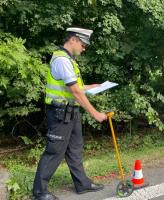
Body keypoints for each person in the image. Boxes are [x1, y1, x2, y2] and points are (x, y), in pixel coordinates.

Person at [32, 27, 107, 200]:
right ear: (73, 39)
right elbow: (74, 91)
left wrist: (90, 87)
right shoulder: (62, 60)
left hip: (71, 112)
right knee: (54, 151)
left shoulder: (69, 60)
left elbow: (73, 87)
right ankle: (39, 192)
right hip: (59, 113)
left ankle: (82, 184)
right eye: (82, 44)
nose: (84, 48)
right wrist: (95, 113)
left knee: (75, 149)